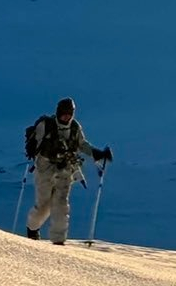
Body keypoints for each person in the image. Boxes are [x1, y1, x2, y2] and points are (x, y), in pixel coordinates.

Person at [24, 97, 111, 245]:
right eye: (64, 113)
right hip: (45, 167)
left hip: (65, 168)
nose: (66, 117)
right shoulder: (46, 125)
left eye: (69, 114)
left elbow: (82, 144)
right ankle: (32, 229)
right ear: (58, 112)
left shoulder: (75, 127)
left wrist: (97, 153)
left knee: (61, 205)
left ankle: (58, 240)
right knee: (44, 206)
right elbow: (35, 144)